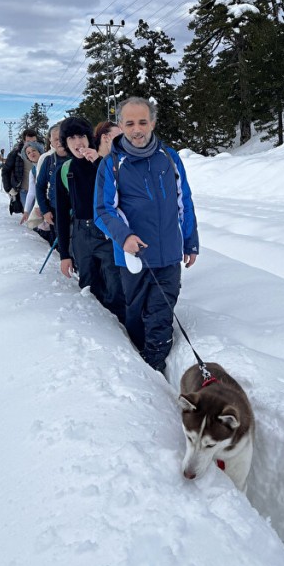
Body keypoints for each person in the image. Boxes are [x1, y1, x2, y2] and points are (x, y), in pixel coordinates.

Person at [94, 97, 199, 373]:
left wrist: (191, 241)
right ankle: (141, 361)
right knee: (136, 313)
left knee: (162, 310)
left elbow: (183, 201)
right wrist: (124, 237)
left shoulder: (169, 157)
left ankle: (155, 365)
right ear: (121, 126)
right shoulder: (112, 165)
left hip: (169, 253)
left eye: (143, 121)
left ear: (152, 122)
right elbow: (103, 211)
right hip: (133, 257)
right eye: (130, 123)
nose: (137, 129)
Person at [54, 117, 125, 322]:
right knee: (89, 286)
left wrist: (99, 163)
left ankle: (124, 332)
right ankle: (100, 331)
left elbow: (124, 193)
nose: (78, 142)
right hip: (80, 235)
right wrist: (64, 255)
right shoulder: (64, 171)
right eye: (72, 138)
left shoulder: (106, 164)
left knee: (115, 286)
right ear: (66, 143)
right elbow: (61, 213)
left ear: (89, 139)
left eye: (82, 136)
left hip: (106, 231)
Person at [35, 123, 68, 244]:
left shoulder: (78, 159)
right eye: (56, 139)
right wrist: (45, 210)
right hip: (56, 212)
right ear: (51, 142)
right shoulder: (48, 161)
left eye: (62, 138)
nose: (59, 142)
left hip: (76, 213)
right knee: (62, 245)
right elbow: (40, 187)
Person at [1, 128, 38, 210]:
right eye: (28, 142)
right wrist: (8, 188)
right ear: (24, 141)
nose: (31, 144)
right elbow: (5, 171)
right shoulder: (16, 154)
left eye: (34, 141)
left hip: (41, 192)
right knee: (30, 218)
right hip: (24, 191)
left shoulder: (42, 152)